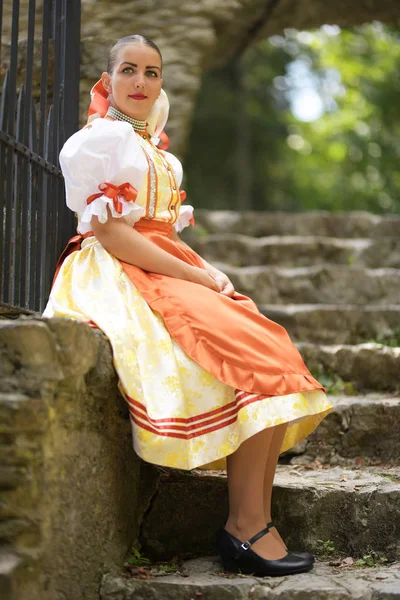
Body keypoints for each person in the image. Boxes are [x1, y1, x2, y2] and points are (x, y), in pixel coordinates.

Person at [43, 34, 333, 577]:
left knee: (267, 343)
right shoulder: (99, 141)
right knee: (244, 356)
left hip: (162, 260)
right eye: (129, 70)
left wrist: (201, 270)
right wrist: (196, 273)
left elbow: (160, 233)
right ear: (108, 81)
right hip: (120, 269)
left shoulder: (153, 149)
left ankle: (251, 522)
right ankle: (247, 529)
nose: (141, 83)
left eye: (152, 73)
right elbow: (113, 235)